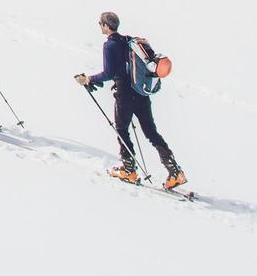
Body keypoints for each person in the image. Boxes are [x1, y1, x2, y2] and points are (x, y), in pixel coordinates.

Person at [75, 12, 186, 188]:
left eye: (100, 23)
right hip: (141, 93)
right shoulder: (129, 41)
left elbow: (109, 73)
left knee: (121, 129)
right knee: (151, 132)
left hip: (124, 93)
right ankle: (174, 171)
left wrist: (89, 79)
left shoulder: (110, 45)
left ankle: (129, 169)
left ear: (105, 25)